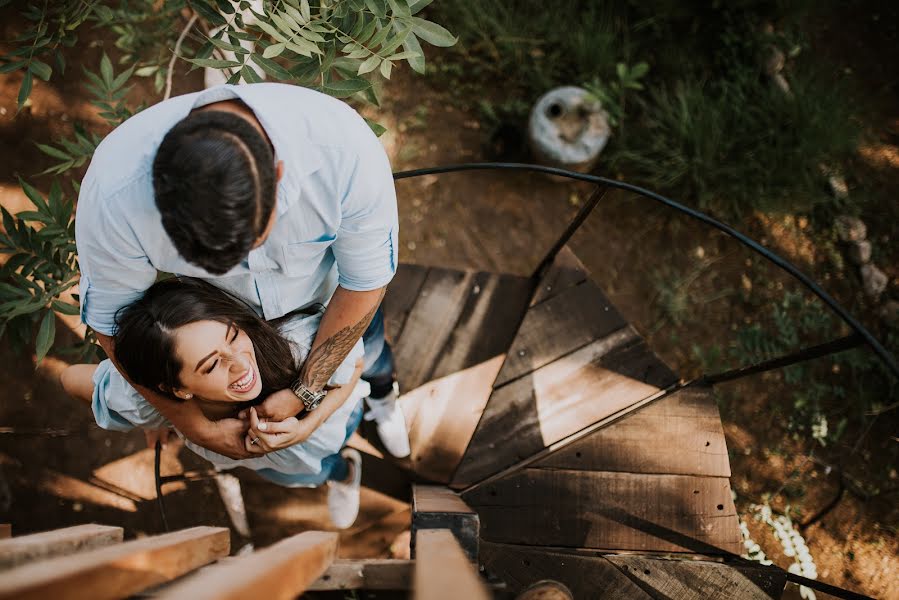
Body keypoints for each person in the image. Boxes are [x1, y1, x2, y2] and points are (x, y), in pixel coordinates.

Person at [75, 83, 409, 460]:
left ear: (278, 175)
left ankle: (383, 395)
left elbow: (364, 283)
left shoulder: (347, 156)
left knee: (374, 356)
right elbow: (113, 326)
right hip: (220, 327)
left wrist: (306, 391)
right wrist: (191, 424)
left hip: (338, 302)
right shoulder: (115, 199)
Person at [62, 278, 368, 528]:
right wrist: (149, 404)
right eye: (211, 366)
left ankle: (377, 411)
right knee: (315, 473)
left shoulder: (297, 344)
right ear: (176, 389)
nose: (240, 364)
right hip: (282, 466)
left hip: (335, 420)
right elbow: (69, 379)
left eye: (234, 336)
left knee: (342, 436)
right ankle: (345, 473)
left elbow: (354, 365)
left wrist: (309, 423)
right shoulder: (151, 400)